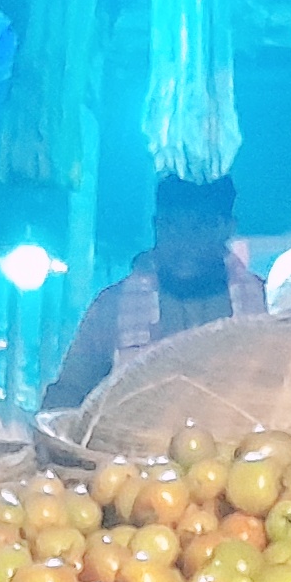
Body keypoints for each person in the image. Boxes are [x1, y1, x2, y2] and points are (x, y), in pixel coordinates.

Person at [41, 174, 249, 410]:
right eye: (170, 225)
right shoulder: (112, 307)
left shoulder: (264, 306)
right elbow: (70, 393)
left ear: (228, 228)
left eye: (200, 226)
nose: (183, 241)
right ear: (156, 226)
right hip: (126, 446)